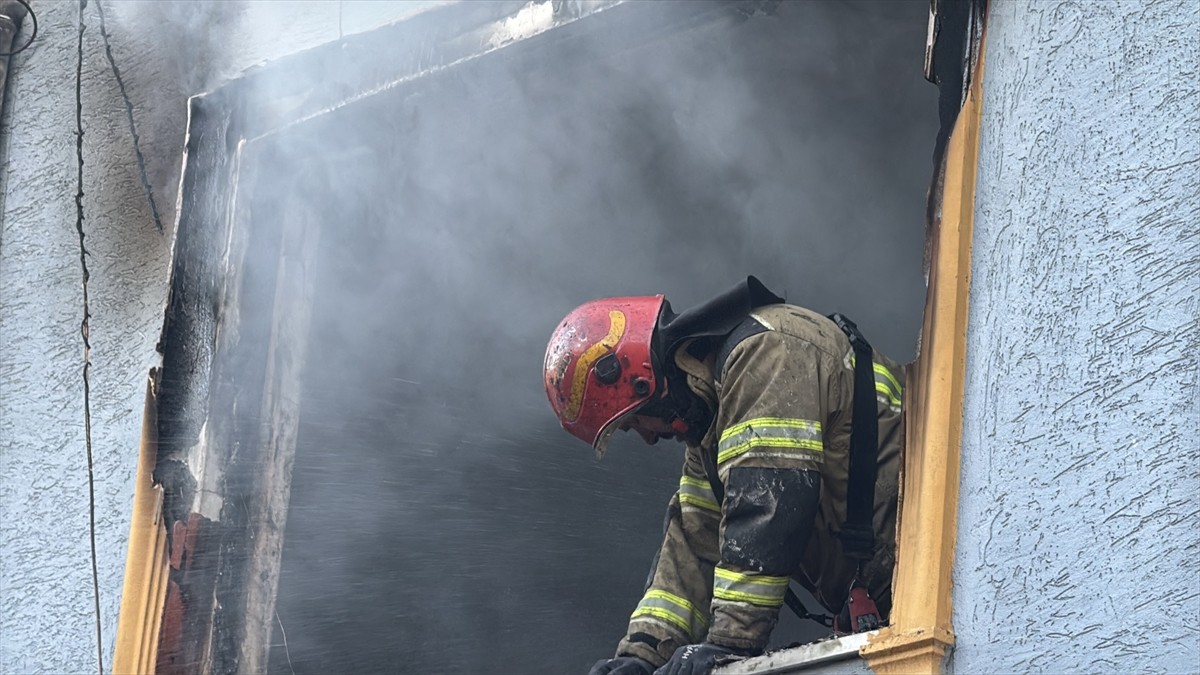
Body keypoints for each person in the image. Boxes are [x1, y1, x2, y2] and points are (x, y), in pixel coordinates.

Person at [542, 277, 904, 675]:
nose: (647, 438)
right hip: (899, 597)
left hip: (932, 573)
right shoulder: (712, 429)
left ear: (644, 384)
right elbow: (695, 543)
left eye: (633, 422)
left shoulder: (767, 353)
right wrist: (642, 655)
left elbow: (771, 505)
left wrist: (729, 642)